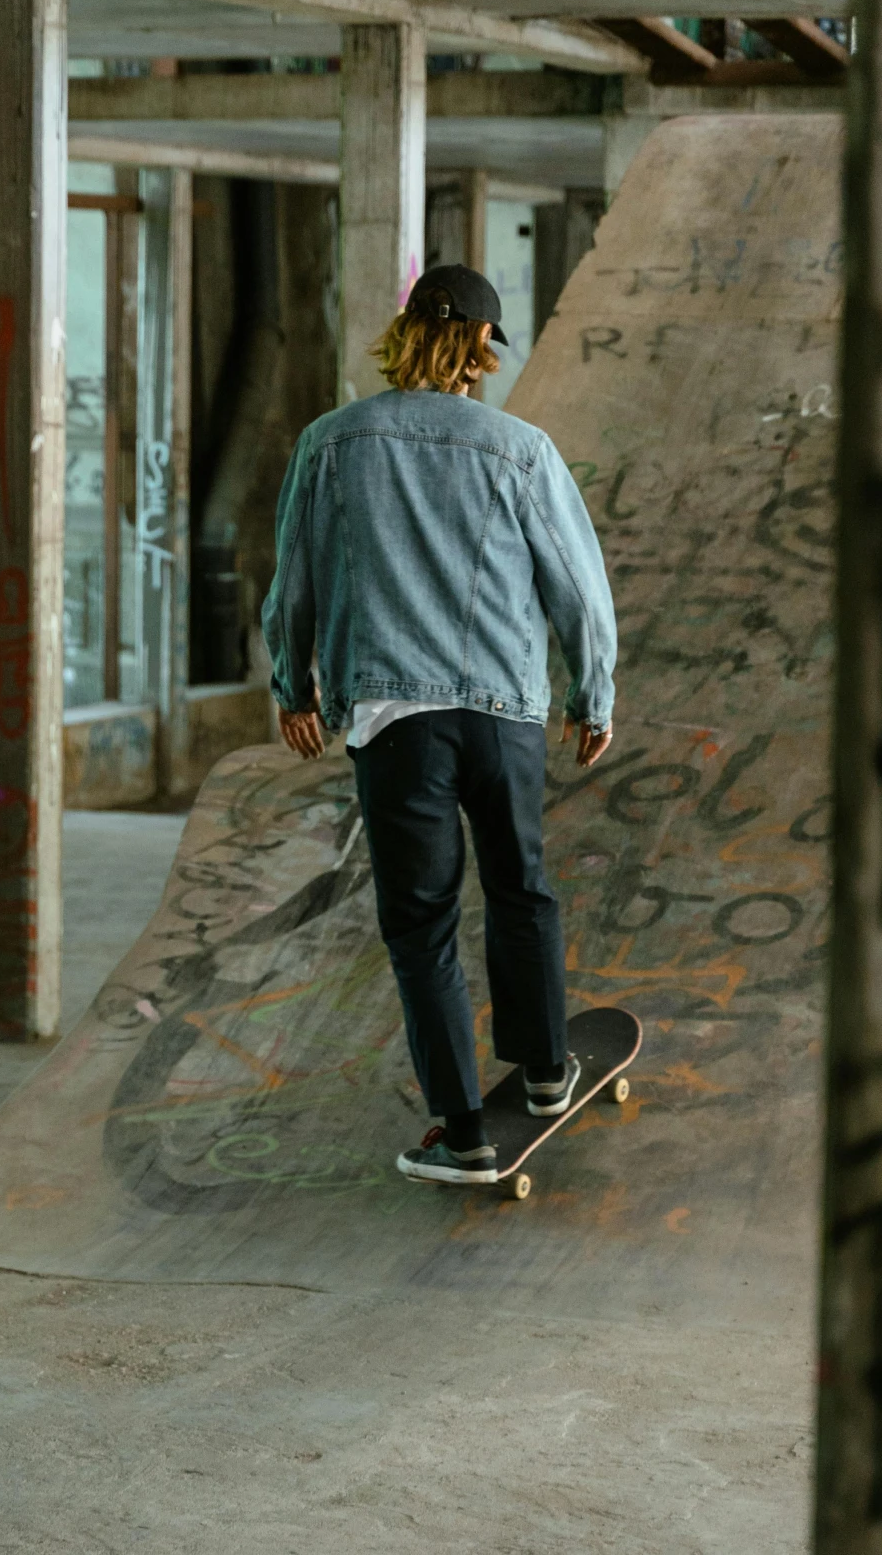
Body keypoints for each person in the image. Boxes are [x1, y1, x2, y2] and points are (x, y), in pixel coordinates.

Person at [262, 263, 617, 1187]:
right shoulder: (519, 448)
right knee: (520, 889)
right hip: (501, 715)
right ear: (479, 351)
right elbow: (577, 590)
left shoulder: (330, 443)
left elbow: (291, 579)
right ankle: (543, 1074)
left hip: (392, 721)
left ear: (405, 333)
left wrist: (292, 687)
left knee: (420, 926)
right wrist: (594, 694)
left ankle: (462, 1131)